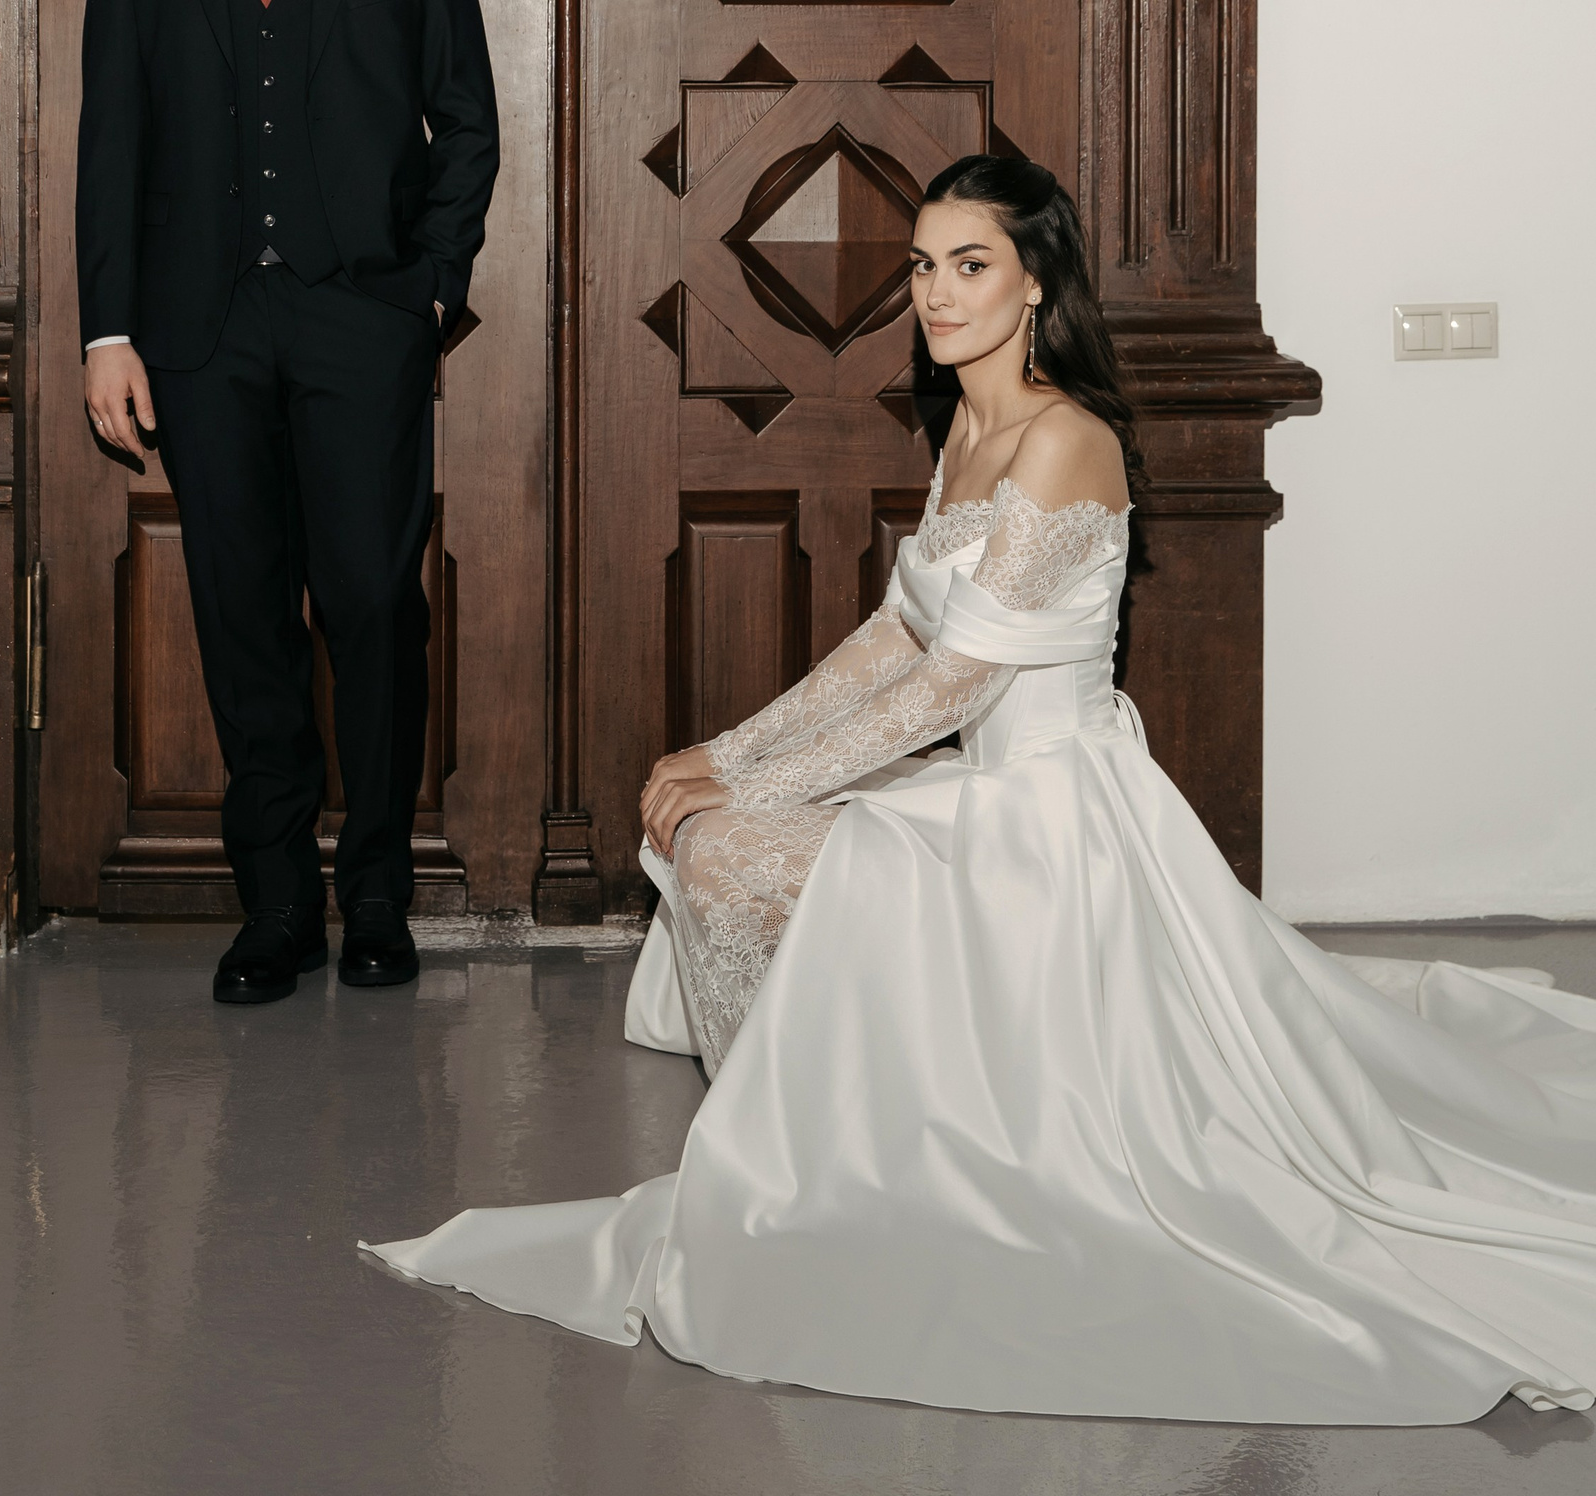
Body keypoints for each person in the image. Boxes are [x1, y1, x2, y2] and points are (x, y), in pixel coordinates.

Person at [370, 156, 1596, 1422]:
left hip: (1055, 817)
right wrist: (726, 756)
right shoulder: (966, 423)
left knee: (728, 852)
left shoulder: (1065, 438)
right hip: (978, 786)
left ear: (1037, 283)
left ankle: (792, 1168)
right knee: (720, 838)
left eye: (971, 265)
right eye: (922, 267)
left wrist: (750, 790)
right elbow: (894, 636)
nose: (937, 294)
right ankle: (810, 1151)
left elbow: (954, 683)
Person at [78, 0, 498, 1008]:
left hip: (364, 317)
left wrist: (430, 284)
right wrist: (107, 332)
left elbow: (467, 121)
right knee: (243, 612)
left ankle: (374, 893)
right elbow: (111, 145)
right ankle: (273, 906)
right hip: (199, 332)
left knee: (373, 605)